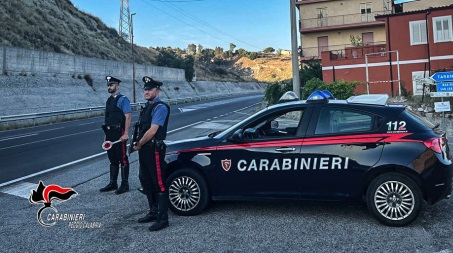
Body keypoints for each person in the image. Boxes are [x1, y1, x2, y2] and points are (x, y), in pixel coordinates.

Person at [133, 76, 170, 231]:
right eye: (145, 89)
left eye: (150, 89)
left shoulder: (160, 107)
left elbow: (153, 130)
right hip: (144, 150)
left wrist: (139, 144)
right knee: (146, 181)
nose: (146, 92)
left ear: (157, 90)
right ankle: (153, 212)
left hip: (153, 149)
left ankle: (163, 218)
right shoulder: (148, 106)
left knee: (159, 183)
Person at [100, 75, 132, 194]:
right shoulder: (109, 100)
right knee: (112, 159)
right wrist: (106, 135)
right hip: (110, 133)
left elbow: (128, 116)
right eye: (108, 85)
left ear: (117, 86)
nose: (109, 87)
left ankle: (125, 184)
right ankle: (113, 183)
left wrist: (126, 134)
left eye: (111, 85)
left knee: (122, 158)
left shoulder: (123, 99)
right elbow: (107, 118)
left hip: (120, 132)